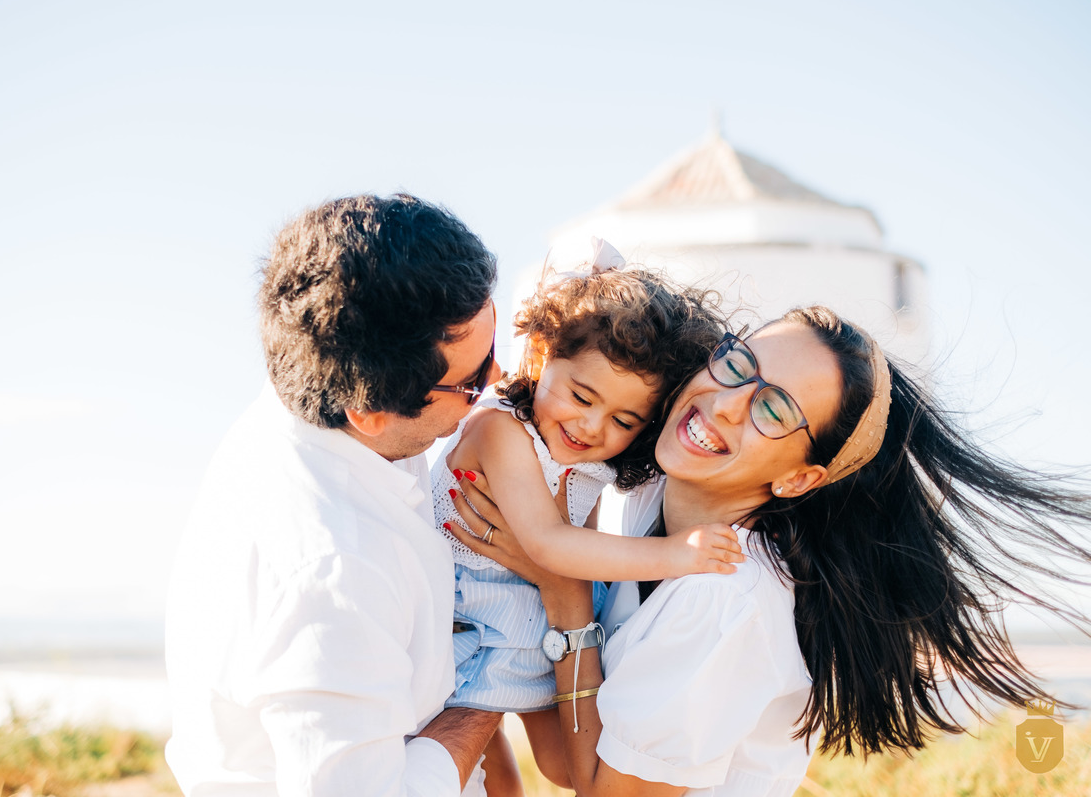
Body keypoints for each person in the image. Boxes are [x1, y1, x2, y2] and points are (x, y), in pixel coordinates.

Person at [451, 305, 1091, 796]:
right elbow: (573, 761)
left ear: (799, 479)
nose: (726, 405)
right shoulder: (642, 498)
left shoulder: (724, 598)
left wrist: (561, 592)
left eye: (774, 408)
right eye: (735, 364)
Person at [165, 194, 505, 796]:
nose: (497, 379)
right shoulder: (333, 570)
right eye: (471, 380)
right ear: (371, 410)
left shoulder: (310, 385)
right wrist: (492, 685)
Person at [430, 240, 742, 784]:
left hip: (533, 617)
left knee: (568, 768)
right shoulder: (501, 430)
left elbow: (583, 548)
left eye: (624, 421)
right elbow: (550, 544)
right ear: (540, 358)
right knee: (474, 766)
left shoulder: (590, 463)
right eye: (581, 395)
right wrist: (673, 555)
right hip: (473, 621)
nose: (593, 428)